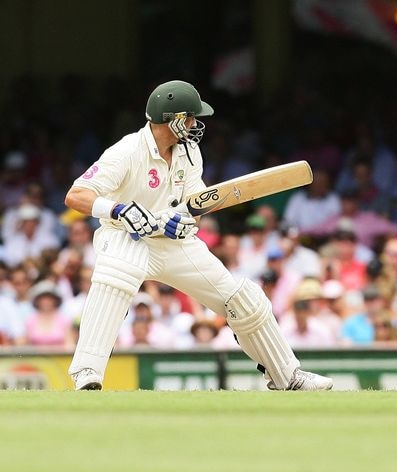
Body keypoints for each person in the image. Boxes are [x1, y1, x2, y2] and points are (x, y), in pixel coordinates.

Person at [63, 79, 332, 391]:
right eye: (191, 117)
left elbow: (197, 202)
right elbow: (76, 195)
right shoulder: (126, 152)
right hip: (127, 237)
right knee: (117, 275)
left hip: (173, 243)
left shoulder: (189, 151)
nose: (195, 124)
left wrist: (182, 219)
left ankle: (287, 376)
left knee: (242, 299)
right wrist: (120, 211)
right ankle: (87, 374)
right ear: (174, 119)